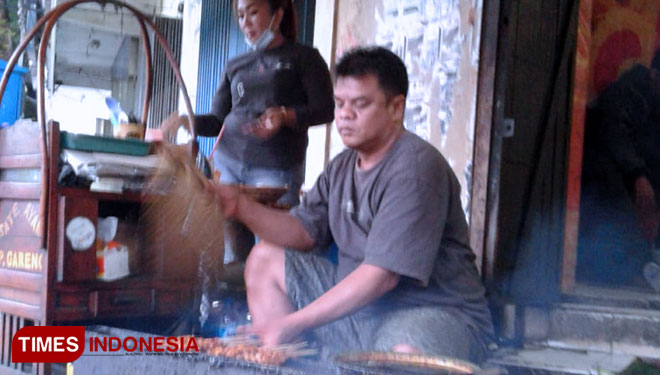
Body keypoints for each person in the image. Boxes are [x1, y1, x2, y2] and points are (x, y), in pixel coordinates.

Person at [210, 46, 495, 363]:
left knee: (403, 357)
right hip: (363, 312)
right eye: (340, 104)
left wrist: (289, 324)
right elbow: (302, 232)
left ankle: (288, 339)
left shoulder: (415, 168)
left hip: (430, 313)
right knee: (265, 258)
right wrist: (238, 206)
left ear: (396, 108)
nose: (345, 114)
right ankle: (285, 363)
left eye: (360, 105)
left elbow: (381, 276)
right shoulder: (342, 166)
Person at [162, 0, 334, 262]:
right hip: (228, 166)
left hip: (276, 170)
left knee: (277, 253)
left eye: (253, 13)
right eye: (241, 16)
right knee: (234, 255)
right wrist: (187, 121)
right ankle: (235, 300)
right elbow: (218, 120)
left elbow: (325, 109)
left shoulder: (304, 58)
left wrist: (285, 116)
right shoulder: (236, 65)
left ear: (277, 15)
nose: (245, 23)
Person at [578, 49, 660, 291]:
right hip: (601, 170)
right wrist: (638, 176)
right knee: (616, 196)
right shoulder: (627, 92)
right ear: (654, 76)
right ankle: (639, 267)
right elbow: (615, 136)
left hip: (631, 174)